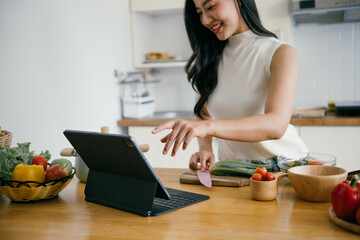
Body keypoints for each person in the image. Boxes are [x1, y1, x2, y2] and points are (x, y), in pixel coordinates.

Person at [152, 0, 308, 172]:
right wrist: (205, 148)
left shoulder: (280, 53)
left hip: (283, 167)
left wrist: (207, 128)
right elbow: (203, 112)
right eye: (199, 13)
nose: (204, 20)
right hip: (232, 169)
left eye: (210, 7)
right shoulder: (210, 57)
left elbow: (276, 125)